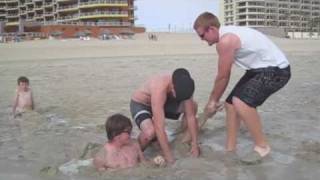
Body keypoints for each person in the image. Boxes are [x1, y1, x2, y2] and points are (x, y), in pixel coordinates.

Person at [193, 12, 291, 161]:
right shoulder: (226, 35)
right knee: (230, 104)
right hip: (258, 70)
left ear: (211, 29)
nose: (201, 39)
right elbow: (223, 77)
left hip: (277, 70)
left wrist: (212, 101)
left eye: (201, 35)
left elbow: (223, 76)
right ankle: (230, 149)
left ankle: (262, 147)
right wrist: (214, 100)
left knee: (241, 102)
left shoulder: (226, 41)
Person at [130, 68, 200, 164]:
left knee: (193, 106)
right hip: (142, 104)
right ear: (172, 87)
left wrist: (195, 144)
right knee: (150, 132)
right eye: (178, 96)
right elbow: (160, 128)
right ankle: (134, 153)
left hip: (164, 102)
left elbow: (191, 116)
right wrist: (169, 158)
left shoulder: (187, 85)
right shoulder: (159, 86)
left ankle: (180, 137)